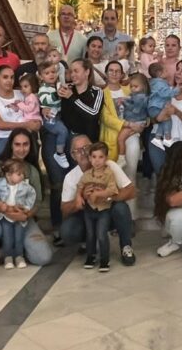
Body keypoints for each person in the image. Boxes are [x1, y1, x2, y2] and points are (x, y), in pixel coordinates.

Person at [0, 129, 54, 267]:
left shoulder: (31, 170)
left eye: (25, 144)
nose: (21, 149)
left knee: (44, 257)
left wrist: (26, 214)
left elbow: (37, 201)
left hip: (22, 218)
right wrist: (4, 209)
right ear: (10, 145)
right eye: (17, 144)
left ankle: (19, 249)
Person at [60, 134, 137, 266]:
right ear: (73, 156)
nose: (83, 153)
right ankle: (89, 242)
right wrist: (80, 199)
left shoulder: (110, 166)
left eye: (86, 148)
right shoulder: (71, 177)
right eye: (78, 151)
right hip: (87, 214)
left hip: (108, 210)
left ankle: (126, 247)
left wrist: (108, 196)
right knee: (67, 230)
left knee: (121, 207)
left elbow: (131, 191)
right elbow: (64, 210)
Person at [0, 159, 37, 270]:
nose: (22, 176)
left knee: (19, 237)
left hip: (19, 216)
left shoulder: (25, 187)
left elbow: (32, 195)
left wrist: (26, 208)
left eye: (22, 173)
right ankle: (8, 257)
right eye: (19, 174)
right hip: (5, 216)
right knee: (7, 237)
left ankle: (19, 256)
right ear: (8, 175)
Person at [77, 142, 120, 271]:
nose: (97, 161)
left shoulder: (109, 174)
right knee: (90, 234)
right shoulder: (87, 174)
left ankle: (104, 260)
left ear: (106, 158)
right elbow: (80, 186)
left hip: (103, 210)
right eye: (94, 157)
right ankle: (91, 256)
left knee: (101, 234)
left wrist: (99, 194)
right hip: (89, 209)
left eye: (100, 157)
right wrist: (79, 197)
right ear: (90, 158)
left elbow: (113, 190)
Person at [0, 65, 30, 157]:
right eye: (5, 77)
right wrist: (26, 125)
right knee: (3, 169)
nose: (9, 81)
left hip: (24, 140)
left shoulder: (21, 93)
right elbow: (0, 124)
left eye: (12, 77)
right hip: (3, 140)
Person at [57, 59, 104, 142]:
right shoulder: (66, 88)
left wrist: (72, 97)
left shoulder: (97, 91)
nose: (72, 75)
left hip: (88, 140)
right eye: (71, 72)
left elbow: (93, 114)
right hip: (68, 138)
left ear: (87, 72)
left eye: (76, 71)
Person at [37, 61, 70, 168]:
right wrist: (57, 94)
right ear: (41, 77)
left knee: (65, 130)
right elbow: (46, 100)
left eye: (53, 72)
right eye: (47, 73)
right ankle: (59, 153)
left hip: (59, 115)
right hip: (50, 118)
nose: (51, 74)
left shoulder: (58, 85)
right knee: (62, 131)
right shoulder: (43, 89)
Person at [117, 73, 150, 166]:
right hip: (136, 121)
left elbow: (135, 110)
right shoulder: (137, 95)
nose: (132, 88)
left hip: (135, 121)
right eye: (131, 86)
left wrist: (124, 102)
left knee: (120, 138)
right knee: (123, 137)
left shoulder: (140, 97)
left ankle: (121, 158)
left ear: (143, 86)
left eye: (135, 86)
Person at [147, 62, 178, 150]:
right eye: (166, 70)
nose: (168, 72)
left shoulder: (155, 83)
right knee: (167, 119)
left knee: (163, 121)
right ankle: (167, 138)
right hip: (157, 107)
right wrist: (176, 90)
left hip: (155, 107)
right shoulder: (160, 83)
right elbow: (165, 93)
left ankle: (158, 137)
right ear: (160, 74)